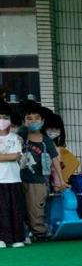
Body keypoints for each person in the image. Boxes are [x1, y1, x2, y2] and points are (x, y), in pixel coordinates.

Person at [19, 104, 64, 241]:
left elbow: (55, 159)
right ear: (24, 121)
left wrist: (61, 180)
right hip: (18, 179)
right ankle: (25, 232)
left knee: (36, 208)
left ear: (42, 121)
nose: (33, 121)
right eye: (29, 118)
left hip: (38, 181)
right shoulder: (20, 136)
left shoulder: (46, 140)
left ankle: (39, 232)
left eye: (36, 118)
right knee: (20, 207)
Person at [0, 103, 26, 247]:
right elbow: (11, 156)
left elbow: (16, 156)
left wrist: (5, 156)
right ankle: (2, 239)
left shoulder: (16, 138)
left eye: (5, 117)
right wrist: (9, 156)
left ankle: (18, 239)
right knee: (2, 210)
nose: (2, 121)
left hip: (14, 179)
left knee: (16, 209)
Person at [44, 113, 80, 184]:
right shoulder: (45, 143)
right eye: (51, 128)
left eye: (56, 129)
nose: (53, 131)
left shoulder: (56, 146)